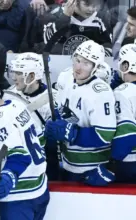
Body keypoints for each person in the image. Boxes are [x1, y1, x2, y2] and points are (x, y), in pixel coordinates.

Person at [0, 73, 49, 220]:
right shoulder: (17, 104)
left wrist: (8, 177)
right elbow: (41, 138)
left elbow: (20, 156)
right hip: (41, 188)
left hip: (20, 196)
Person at [49, 40, 116, 186]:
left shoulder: (100, 93)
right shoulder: (65, 77)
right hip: (68, 163)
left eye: (86, 63)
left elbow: (105, 135)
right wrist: (56, 124)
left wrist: (72, 133)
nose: (78, 67)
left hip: (91, 169)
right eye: (77, 60)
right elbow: (62, 109)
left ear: (95, 67)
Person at [3, 52, 61, 180]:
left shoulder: (54, 99)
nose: (14, 78)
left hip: (44, 162)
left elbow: (54, 143)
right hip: (17, 159)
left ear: (32, 76)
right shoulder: (8, 95)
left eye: (19, 73)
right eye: (14, 72)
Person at [40, 0, 112, 56]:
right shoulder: (56, 14)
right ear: (74, 1)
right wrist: (65, 17)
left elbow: (109, 46)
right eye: (87, 4)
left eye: (94, 5)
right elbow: (47, 42)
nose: (91, 9)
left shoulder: (100, 18)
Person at [110, 44, 136, 183]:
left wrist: (110, 165)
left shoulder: (122, 92)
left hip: (130, 162)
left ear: (126, 66)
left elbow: (127, 137)